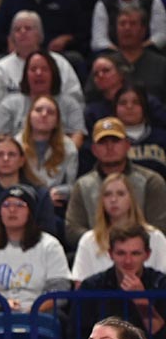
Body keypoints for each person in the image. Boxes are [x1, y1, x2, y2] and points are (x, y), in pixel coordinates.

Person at [66, 117, 166, 249]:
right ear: (94, 149)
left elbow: (160, 226)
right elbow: (72, 231)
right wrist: (105, 240)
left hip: (144, 255)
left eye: (115, 141)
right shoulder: (83, 185)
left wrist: (128, 242)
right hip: (97, 252)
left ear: (127, 145)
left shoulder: (151, 181)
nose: (109, 147)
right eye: (103, 142)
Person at [0, 184, 71, 313]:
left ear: (30, 212)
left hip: (41, 312)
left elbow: (60, 290)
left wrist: (35, 309)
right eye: (6, 205)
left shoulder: (50, 245)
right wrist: (1, 304)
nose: (12, 210)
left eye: (19, 205)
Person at [0, 10, 84, 127]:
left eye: (28, 28)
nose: (22, 32)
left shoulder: (59, 63)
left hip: (57, 130)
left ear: (40, 35)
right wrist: (2, 132)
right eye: (17, 29)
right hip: (13, 134)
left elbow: (76, 100)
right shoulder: (1, 68)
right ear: (12, 37)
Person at [0, 135, 58, 251]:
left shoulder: (40, 192)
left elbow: (47, 231)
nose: (6, 159)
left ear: (22, 160)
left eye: (12, 154)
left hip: (32, 253)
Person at [71, 174, 166, 285]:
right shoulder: (88, 240)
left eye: (120, 194)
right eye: (107, 195)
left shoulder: (155, 236)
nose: (113, 199)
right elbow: (80, 285)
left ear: (131, 198)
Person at [0, 49, 86, 147]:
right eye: (33, 69)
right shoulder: (9, 103)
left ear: (53, 73)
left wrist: (63, 155)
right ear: (25, 74)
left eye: (44, 69)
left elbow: (77, 136)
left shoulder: (70, 104)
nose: (38, 73)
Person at [18, 94, 78, 208]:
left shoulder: (69, 147)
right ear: (29, 116)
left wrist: (57, 192)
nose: (44, 114)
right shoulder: (16, 144)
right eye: (38, 110)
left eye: (50, 112)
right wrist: (42, 197)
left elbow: (71, 186)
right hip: (21, 202)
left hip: (54, 205)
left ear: (57, 122)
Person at [108, 8, 166, 96]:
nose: (127, 28)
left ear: (143, 30)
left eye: (133, 23)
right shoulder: (105, 65)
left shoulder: (161, 65)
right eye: (122, 24)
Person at [115, 83, 166, 179]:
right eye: (123, 103)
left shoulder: (162, 138)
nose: (129, 106)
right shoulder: (108, 140)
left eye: (136, 102)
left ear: (144, 107)